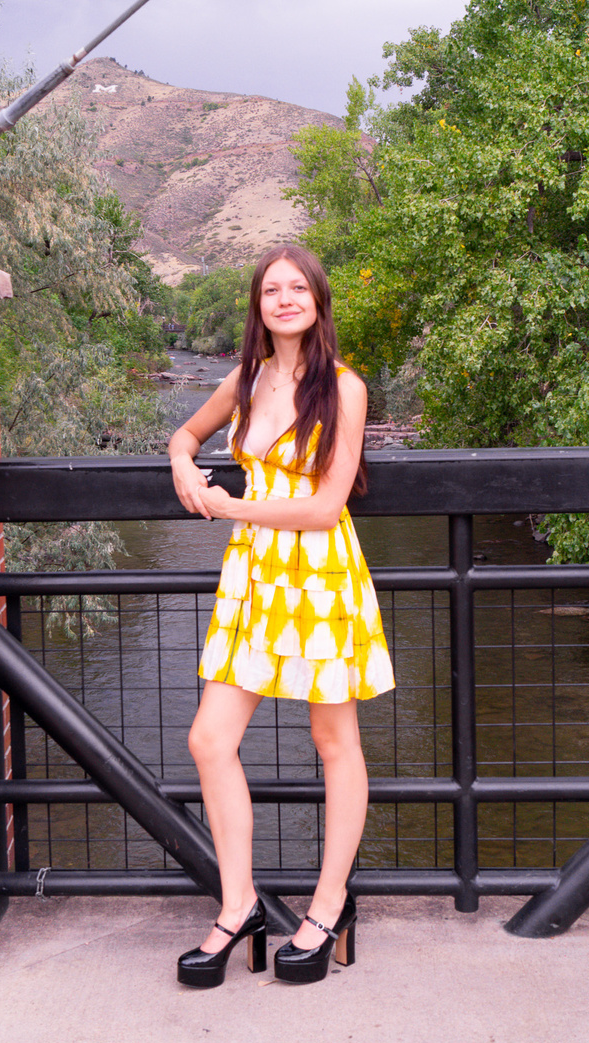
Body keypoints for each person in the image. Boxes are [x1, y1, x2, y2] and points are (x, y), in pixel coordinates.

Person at [168, 244, 395, 987]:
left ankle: (328, 905)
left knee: (332, 738)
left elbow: (327, 506)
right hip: (254, 578)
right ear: (258, 305)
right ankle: (238, 907)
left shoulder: (344, 388)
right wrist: (181, 465)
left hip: (318, 578)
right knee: (209, 738)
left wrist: (231, 504)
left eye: (298, 287)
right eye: (273, 289)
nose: (286, 298)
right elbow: (183, 434)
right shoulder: (245, 378)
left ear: (318, 301)